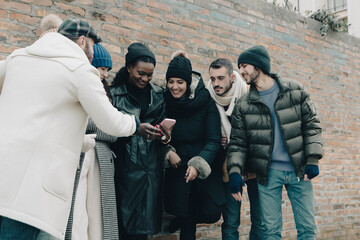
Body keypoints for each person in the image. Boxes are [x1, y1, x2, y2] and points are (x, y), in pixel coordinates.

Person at [0, 18, 138, 240]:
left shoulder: (17, 58)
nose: (94, 53)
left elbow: (42, 117)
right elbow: (109, 122)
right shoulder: (80, 69)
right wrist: (136, 124)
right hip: (31, 193)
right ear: (82, 41)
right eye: (93, 46)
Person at [227, 45, 323, 239]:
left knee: (307, 229)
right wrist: (235, 172)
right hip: (268, 174)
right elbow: (238, 143)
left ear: (259, 65)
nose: (241, 71)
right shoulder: (243, 105)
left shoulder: (294, 90)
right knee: (270, 232)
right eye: (240, 66)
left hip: (299, 171)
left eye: (244, 65)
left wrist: (313, 159)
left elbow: (311, 125)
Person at [163, 51, 226, 240]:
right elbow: (159, 135)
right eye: (171, 82)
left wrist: (198, 164)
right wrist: (167, 151)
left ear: (188, 82)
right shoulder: (164, 101)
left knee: (212, 212)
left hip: (203, 165)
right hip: (178, 167)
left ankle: (184, 220)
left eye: (180, 82)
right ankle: (184, 221)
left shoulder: (205, 101)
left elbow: (214, 139)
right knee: (186, 214)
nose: (175, 87)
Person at [110, 42, 169, 240]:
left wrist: (165, 136)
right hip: (124, 170)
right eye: (141, 73)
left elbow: (163, 129)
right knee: (121, 229)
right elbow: (109, 134)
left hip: (151, 170)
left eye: (150, 75)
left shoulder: (159, 95)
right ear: (129, 68)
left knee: (142, 232)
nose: (145, 78)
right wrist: (135, 131)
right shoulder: (115, 94)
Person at [65, 43, 120, 240]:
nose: (105, 74)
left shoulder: (105, 93)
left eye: (107, 70)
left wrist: (100, 128)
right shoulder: (79, 85)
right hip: (79, 155)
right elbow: (79, 123)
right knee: (76, 212)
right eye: (102, 68)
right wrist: (105, 126)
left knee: (98, 214)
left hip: (101, 159)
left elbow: (113, 131)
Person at [207, 58, 264, 240]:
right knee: (231, 222)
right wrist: (218, 136)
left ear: (232, 77)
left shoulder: (249, 95)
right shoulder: (208, 97)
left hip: (254, 164)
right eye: (213, 78)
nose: (216, 83)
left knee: (260, 220)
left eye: (221, 78)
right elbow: (205, 129)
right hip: (229, 167)